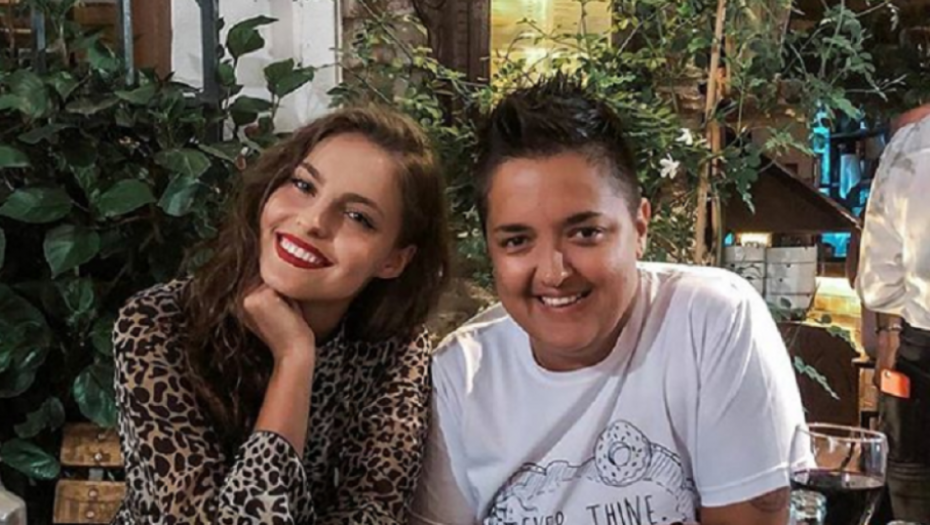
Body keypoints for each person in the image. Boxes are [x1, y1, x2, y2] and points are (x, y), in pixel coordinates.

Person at [411, 76, 805, 525]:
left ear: (639, 227)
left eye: (585, 233)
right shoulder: (461, 373)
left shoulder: (709, 321)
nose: (555, 273)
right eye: (517, 241)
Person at [112, 106, 450, 524]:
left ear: (394, 260)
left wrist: (294, 355)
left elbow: (370, 512)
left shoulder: (395, 349)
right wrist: (294, 360)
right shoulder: (159, 323)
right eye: (304, 185)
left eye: (358, 217)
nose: (312, 221)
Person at [856, 103, 930, 522]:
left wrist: (890, 332)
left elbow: (880, 283)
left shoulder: (915, 143)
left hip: (923, 360)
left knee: (914, 509)